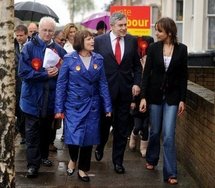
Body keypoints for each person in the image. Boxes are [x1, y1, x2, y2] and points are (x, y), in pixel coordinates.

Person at [55, 30, 112, 182]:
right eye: (88, 39)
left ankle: (83, 169)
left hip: (93, 105)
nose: (92, 41)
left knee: (88, 138)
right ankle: (73, 159)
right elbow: (61, 85)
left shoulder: (98, 59)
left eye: (92, 39)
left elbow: (103, 83)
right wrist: (59, 109)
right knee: (74, 137)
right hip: (74, 105)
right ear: (81, 41)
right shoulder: (69, 59)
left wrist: (107, 107)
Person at [139, 17, 188, 185]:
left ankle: (170, 173)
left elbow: (183, 76)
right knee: (155, 131)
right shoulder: (153, 48)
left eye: (159, 30)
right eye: (156, 30)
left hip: (173, 97)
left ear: (169, 32)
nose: (156, 33)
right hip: (154, 96)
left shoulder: (182, 50)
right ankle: (152, 158)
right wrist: (143, 97)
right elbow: (146, 74)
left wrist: (183, 99)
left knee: (168, 135)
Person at [94, 12, 142, 174]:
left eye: (125, 25)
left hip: (125, 92)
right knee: (104, 124)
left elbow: (137, 66)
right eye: (120, 25)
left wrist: (136, 83)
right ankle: (100, 145)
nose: (124, 28)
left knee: (122, 128)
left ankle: (118, 162)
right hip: (105, 92)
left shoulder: (132, 41)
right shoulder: (99, 41)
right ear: (112, 26)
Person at [18, 16, 67, 178]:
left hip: (50, 100)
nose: (47, 33)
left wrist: (59, 72)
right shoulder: (29, 48)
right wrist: (44, 74)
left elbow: (66, 73)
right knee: (32, 134)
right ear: (39, 30)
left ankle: (44, 156)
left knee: (47, 132)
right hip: (31, 99)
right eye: (44, 30)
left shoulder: (60, 51)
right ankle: (33, 165)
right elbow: (23, 72)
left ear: (54, 32)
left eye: (50, 31)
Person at [129, 36, 154, 157]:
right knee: (138, 125)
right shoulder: (137, 60)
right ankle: (134, 135)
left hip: (150, 97)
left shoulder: (154, 61)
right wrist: (133, 100)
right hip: (138, 97)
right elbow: (134, 80)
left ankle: (144, 147)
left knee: (145, 126)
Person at [14, 24, 29, 145]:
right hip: (16, 85)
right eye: (17, 35)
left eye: (21, 35)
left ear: (26, 34)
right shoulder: (12, 46)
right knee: (19, 111)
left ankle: (28, 134)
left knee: (27, 111)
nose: (19, 38)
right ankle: (23, 134)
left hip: (29, 83)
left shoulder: (31, 46)